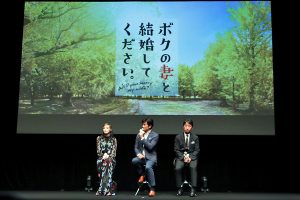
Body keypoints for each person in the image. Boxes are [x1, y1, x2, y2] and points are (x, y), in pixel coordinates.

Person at [132, 118, 159, 197]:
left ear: (150, 126)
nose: (142, 126)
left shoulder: (155, 135)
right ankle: (142, 174)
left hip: (151, 158)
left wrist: (143, 137)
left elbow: (150, 147)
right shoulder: (138, 134)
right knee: (134, 161)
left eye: (144, 124)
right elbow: (136, 147)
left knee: (148, 167)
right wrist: (138, 154)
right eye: (142, 124)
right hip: (142, 158)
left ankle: (152, 188)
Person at [174, 119, 200, 197]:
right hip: (181, 157)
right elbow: (176, 149)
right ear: (183, 127)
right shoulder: (178, 137)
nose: (187, 127)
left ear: (191, 127)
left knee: (193, 167)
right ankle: (179, 188)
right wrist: (183, 157)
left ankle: (193, 189)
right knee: (177, 168)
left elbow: (197, 150)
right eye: (186, 126)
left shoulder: (195, 137)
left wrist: (190, 157)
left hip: (192, 157)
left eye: (189, 126)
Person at [96, 122, 117, 196]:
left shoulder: (114, 139)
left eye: (107, 128)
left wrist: (108, 156)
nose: (105, 129)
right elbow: (98, 151)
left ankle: (103, 190)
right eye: (104, 128)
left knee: (108, 162)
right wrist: (103, 155)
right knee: (104, 163)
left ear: (110, 129)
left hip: (111, 159)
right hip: (100, 159)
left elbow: (114, 153)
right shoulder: (99, 138)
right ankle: (108, 188)